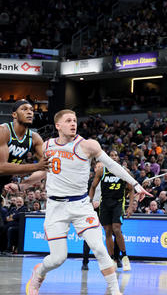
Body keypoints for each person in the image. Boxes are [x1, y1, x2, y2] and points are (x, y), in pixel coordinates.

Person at [26, 109, 151, 295]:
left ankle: (115, 291)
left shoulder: (88, 145)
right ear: (58, 125)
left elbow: (112, 165)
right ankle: (39, 273)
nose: (73, 123)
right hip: (55, 207)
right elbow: (42, 172)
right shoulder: (47, 146)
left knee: (100, 249)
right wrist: (22, 184)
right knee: (58, 258)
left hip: (81, 205)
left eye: (75, 120)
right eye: (68, 120)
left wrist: (135, 183)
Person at [89, 150, 136, 272]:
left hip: (118, 203)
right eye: (111, 155)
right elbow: (93, 186)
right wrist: (89, 200)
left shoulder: (124, 171)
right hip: (104, 203)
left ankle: (125, 257)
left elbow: (131, 189)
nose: (114, 157)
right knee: (108, 231)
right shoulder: (102, 171)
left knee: (116, 229)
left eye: (116, 155)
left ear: (118, 158)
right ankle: (112, 259)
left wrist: (130, 206)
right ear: (107, 158)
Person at [1, 100, 50, 193]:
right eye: (24, 109)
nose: (29, 112)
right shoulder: (3, 131)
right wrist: (36, 166)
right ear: (14, 115)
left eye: (31, 110)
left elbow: (47, 166)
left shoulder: (35, 138)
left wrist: (23, 185)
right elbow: (1, 167)